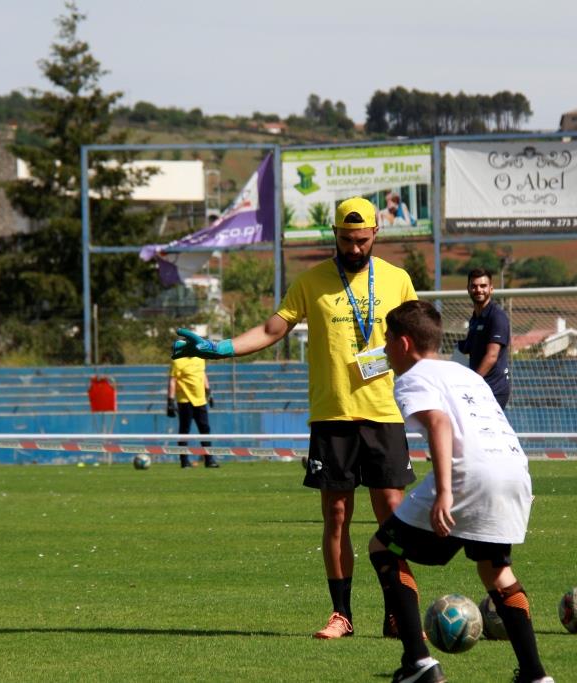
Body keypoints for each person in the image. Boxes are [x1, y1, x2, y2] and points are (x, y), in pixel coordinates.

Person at [172, 196, 418, 639]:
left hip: (383, 413)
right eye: (347, 239)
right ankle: (341, 615)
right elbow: (272, 329)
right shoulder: (310, 281)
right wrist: (219, 348)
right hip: (331, 415)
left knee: (393, 516)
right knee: (336, 515)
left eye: (363, 240)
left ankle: (399, 613)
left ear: (376, 234)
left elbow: (414, 340)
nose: (355, 248)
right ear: (335, 234)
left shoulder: (398, 280)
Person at [370, 300, 552, 683]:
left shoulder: (413, 377)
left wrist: (445, 493)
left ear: (404, 343)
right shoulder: (466, 374)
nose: (384, 348)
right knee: (496, 572)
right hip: (513, 470)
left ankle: (418, 663)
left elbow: (439, 424)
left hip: (469, 474)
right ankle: (535, 675)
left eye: (387, 340)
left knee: (383, 547)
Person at [457, 268, 511, 409]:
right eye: (474, 286)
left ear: (491, 289)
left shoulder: (497, 317)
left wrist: (472, 382)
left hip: (494, 389)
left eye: (483, 286)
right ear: (468, 289)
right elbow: (468, 348)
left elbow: (492, 356)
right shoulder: (475, 318)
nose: (478, 290)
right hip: (480, 387)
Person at [167, 355, 219, 468]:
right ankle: (184, 461)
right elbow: (173, 380)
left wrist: (209, 392)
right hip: (185, 401)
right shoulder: (177, 361)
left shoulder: (200, 358)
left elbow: (203, 375)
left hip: (200, 400)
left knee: (205, 430)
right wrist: (170, 401)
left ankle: (209, 460)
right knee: (184, 431)